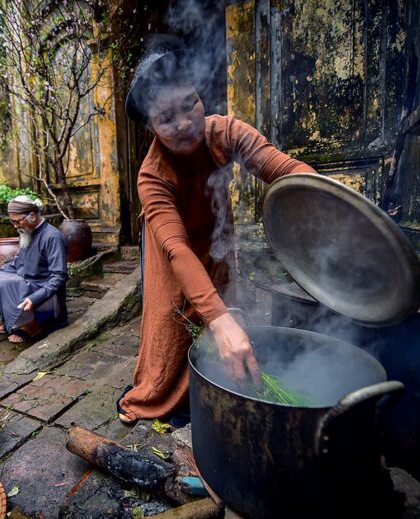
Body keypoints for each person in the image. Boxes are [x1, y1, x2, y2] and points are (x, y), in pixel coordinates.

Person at [117, 50, 317, 424]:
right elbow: (176, 249)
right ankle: (158, 394)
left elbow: (286, 170)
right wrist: (220, 322)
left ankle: (217, 379)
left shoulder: (225, 131)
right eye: (166, 118)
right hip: (170, 247)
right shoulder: (152, 175)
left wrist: (326, 198)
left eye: (190, 104)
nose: (185, 123)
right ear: (151, 128)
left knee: (223, 300)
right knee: (172, 319)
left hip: (214, 234)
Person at [0, 195, 68, 343]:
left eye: (17, 221)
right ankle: (14, 320)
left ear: (32, 216)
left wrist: (35, 298)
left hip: (42, 288)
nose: (15, 226)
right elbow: (17, 264)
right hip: (24, 281)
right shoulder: (26, 232)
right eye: (12, 221)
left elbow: (59, 277)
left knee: (7, 285)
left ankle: (32, 324)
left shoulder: (52, 237)